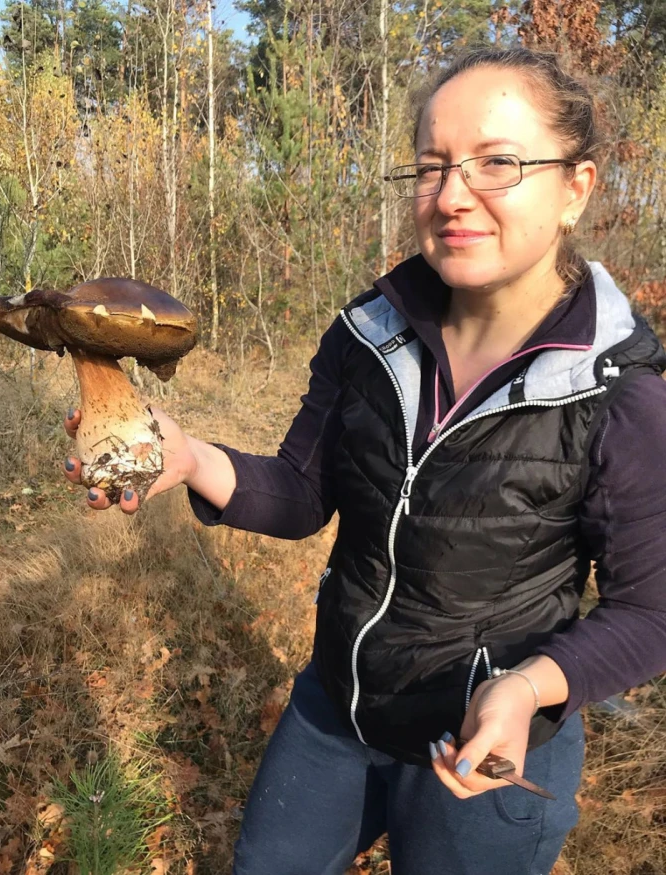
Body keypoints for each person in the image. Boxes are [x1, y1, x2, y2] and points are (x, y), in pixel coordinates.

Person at [63, 47, 666, 875]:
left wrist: (529, 688)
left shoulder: (618, 395)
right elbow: (306, 491)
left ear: (576, 187)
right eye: (432, 167)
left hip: (484, 740)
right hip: (336, 708)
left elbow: (651, 612)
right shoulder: (369, 335)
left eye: (497, 162)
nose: (454, 195)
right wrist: (193, 458)